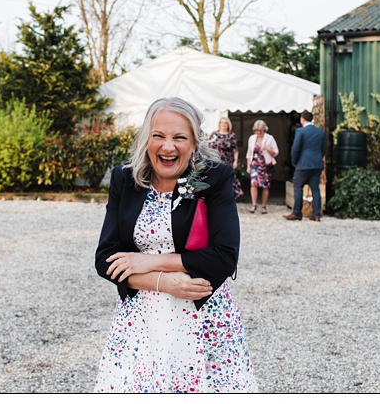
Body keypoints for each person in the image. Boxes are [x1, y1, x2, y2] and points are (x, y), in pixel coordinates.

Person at [93, 97, 257, 392]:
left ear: (194, 143)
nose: (168, 147)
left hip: (203, 315)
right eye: (158, 136)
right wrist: (161, 282)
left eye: (179, 137)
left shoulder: (214, 178)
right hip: (141, 320)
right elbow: (105, 258)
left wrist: (150, 261)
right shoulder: (124, 179)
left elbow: (224, 257)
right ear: (146, 140)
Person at [283, 110, 325, 222]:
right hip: (317, 164)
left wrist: (294, 161)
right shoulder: (320, 132)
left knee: (298, 187)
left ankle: (297, 212)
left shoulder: (300, 131)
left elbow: (295, 148)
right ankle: (316, 215)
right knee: (315, 189)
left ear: (302, 119)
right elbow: (323, 149)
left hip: (303, 164)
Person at [245, 120, 279, 214]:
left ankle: (264, 206)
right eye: (257, 131)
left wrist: (268, 149)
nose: (259, 133)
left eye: (261, 131)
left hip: (266, 165)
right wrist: (248, 166)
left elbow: (276, 152)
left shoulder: (269, 138)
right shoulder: (252, 138)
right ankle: (254, 204)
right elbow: (249, 153)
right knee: (253, 184)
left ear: (264, 130)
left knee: (265, 186)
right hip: (255, 164)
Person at [208, 117, 243, 201]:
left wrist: (236, 161)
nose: (223, 124)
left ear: (228, 125)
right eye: (222, 123)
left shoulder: (231, 135)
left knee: (228, 178)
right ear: (219, 124)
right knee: (215, 178)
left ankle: (229, 196)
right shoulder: (214, 134)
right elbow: (209, 147)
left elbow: (235, 149)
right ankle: (216, 196)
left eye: (225, 123)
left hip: (227, 160)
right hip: (215, 159)